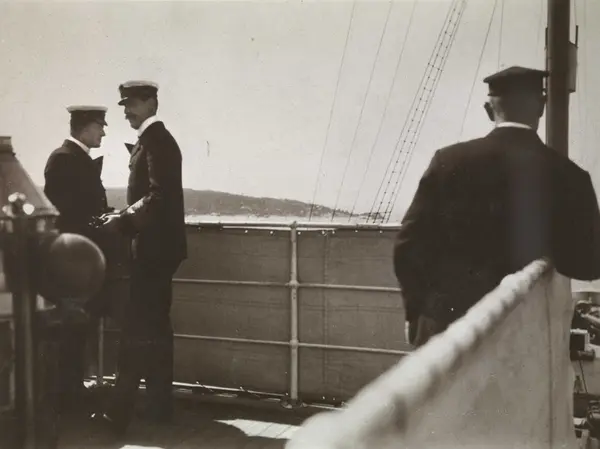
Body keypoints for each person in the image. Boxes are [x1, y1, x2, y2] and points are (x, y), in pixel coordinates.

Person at [394, 66, 600, 348]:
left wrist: (415, 313)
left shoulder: (448, 161)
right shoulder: (572, 177)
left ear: (489, 110)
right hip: (526, 335)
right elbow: (589, 264)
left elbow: (407, 246)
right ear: (541, 108)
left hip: (450, 331)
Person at [95, 80, 187, 434]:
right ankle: (160, 407)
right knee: (157, 329)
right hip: (159, 250)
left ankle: (117, 414)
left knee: (136, 328)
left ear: (151, 103)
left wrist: (121, 221)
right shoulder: (154, 141)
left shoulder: (156, 141)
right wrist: (125, 216)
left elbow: (158, 197)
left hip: (152, 252)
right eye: (124, 105)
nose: (127, 112)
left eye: (132, 104)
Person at [43, 105, 112, 411]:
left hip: (83, 259)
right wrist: (100, 223)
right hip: (73, 261)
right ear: (84, 127)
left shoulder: (75, 159)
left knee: (79, 329)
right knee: (71, 329)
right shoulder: (63, 159)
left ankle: (72, 394)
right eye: (100, 126)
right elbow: (66, 215)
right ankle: (67, 399)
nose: (103, 132)